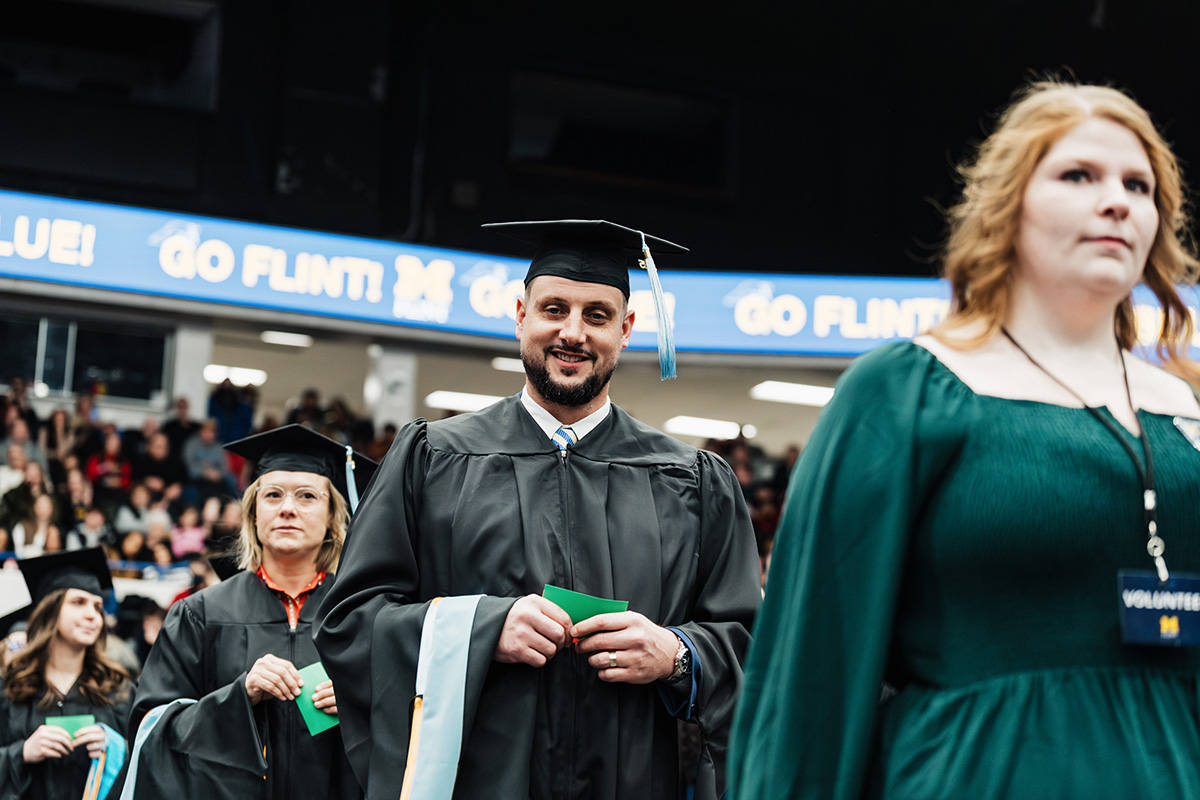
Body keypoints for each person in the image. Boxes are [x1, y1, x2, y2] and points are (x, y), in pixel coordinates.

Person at [728, 80, 1200, 798]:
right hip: (976, 774)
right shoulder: (907, 389)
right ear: (1009, 204)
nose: (1117, 201)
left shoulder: (1184, 410)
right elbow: (813, 666)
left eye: (1139, 185)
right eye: (1079, 175)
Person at [315, 219, 761, 800]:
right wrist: (481, 629)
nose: (572, 333)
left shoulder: (693, 481)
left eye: (597, 316)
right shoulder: (433, 458)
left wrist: (677, 655)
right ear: (520, 314)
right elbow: (352, 622)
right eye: (554, 309)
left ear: (626, 330)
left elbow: (753, 644)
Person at [125, 424, 376, 800]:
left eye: (307, 496)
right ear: (254, 514)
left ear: (331, 519)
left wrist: (362, 708)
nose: (287, 508)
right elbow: (154, 730)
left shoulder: (364, 615)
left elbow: (413, 726)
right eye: (273, 495)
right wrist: (240, 696)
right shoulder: (201, 614)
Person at [0, 549, 134, 799]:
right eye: (78, 603)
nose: (92, 615)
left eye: (97, 606)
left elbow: (147, 764)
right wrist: (22, 753)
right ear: (50, 610)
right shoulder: (10, 688)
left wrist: (116, 751)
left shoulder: (118, 688)